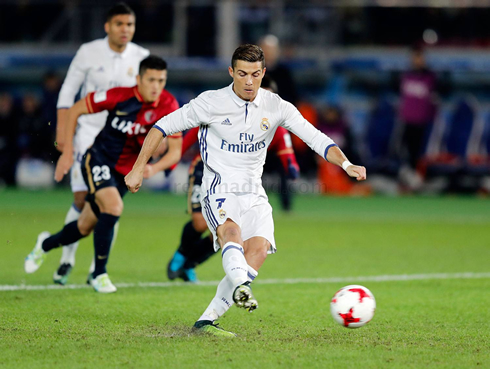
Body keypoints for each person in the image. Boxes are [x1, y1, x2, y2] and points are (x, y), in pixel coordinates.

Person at [125, 44, 366, 337]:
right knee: (230, 233)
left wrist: (346, 163)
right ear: (231, 72)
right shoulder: (210, 102)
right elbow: (161, 126)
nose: (249, 81)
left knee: (259, 249)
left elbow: (315, 137)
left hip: (254, 192)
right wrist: (138, 167)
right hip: (218, 187)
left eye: (255, 74)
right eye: (242, 74)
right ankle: (241, 286)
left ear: (264, 73)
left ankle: (207, 320)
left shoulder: (276, 106)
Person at [24, 56, 182, 293]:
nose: (156, 86)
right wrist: (67, 148)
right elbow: (77, 108)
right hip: (98, 160)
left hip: (125, 174)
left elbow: (175, 151)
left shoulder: (169, 105)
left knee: (84, 227)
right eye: (151, 80)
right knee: (114, 207)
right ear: (138, 79)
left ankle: (44, 245)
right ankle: (99, 273)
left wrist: (152, 168)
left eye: (161, 80)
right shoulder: (119, 95)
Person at [166, 77, 299, 282]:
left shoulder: (274, 123)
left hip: (241, 179)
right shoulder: (227, 111)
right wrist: (174, 160)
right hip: (206, 168)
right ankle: (180, 255)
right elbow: (195, 132)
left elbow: (286, 149)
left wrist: (291, 167)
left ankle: (189, 264)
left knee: (224, 232)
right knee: (201, 222)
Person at [53, 2, 150, 285]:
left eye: (129, 25)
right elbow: (68, 90)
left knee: (111, 203)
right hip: (87, 133)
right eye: (119, 24)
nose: (125, 30)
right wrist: (64, 136)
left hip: (121, 140)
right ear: (107, 26)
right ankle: (66, 259)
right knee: (82, 198)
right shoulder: (88, 51)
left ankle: (97, 269)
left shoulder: (142, 57)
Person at [398, 47, 438, 190]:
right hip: (407, 121)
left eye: (420, 58)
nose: (417, 61)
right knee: (405, 152)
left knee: (421, 154)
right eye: (415, 58)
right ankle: (409, 181)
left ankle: (420, 181)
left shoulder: (430, 77)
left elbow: (434, 101)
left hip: (423, 122)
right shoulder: (406, 76)